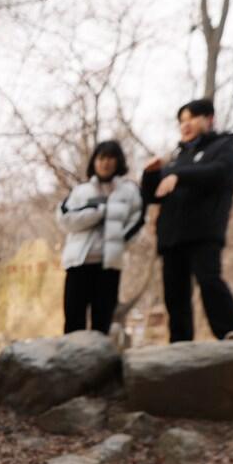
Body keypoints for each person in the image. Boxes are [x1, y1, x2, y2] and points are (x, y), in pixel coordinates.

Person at [141, 98, 233, 342]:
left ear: (208, 119)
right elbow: (152, 195)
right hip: (171, 236)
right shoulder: (178, 157)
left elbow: (220, 173)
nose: (185, 125)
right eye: (181, 121)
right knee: (174, 294)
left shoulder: (225, 147)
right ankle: (180, 342)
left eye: (191, 118)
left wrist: (178, 175)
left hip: (204, 231)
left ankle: (231, 331)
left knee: (209, 280)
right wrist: (149, 176)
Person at [56, 141, 145, 335]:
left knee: (102, 321)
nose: (105, 163)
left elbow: (137, 222)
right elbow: (65, 220)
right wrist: (99, 211)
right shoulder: (81, 191)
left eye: (110, 158)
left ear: (118, 161)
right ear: (94, 161)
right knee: (73, 320)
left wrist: (120, 243)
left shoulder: (129, 192)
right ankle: (70, 362)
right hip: (78, 263)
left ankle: (99, 363)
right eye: (101, 158)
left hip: (109, 266)